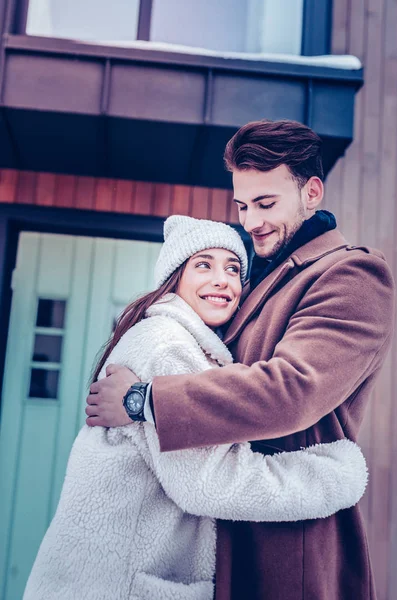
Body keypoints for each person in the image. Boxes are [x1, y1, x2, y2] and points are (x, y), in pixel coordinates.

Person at [87, 120, 395, 600]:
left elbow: (290, 390)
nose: (252, 222)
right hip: (226, 533)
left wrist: (144, 400)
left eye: (266, 204)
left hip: (288, 548)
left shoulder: (351, 274)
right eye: (244, 206)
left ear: (311, 192)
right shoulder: (255, 280)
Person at [24, 216, 368, 600]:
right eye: (203, 265)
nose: (222, 279)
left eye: (233, 268)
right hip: (115, 584)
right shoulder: (167, 345)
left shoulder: (182, 340)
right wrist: (336, 475)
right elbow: (212, 482)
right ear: (175, 277)